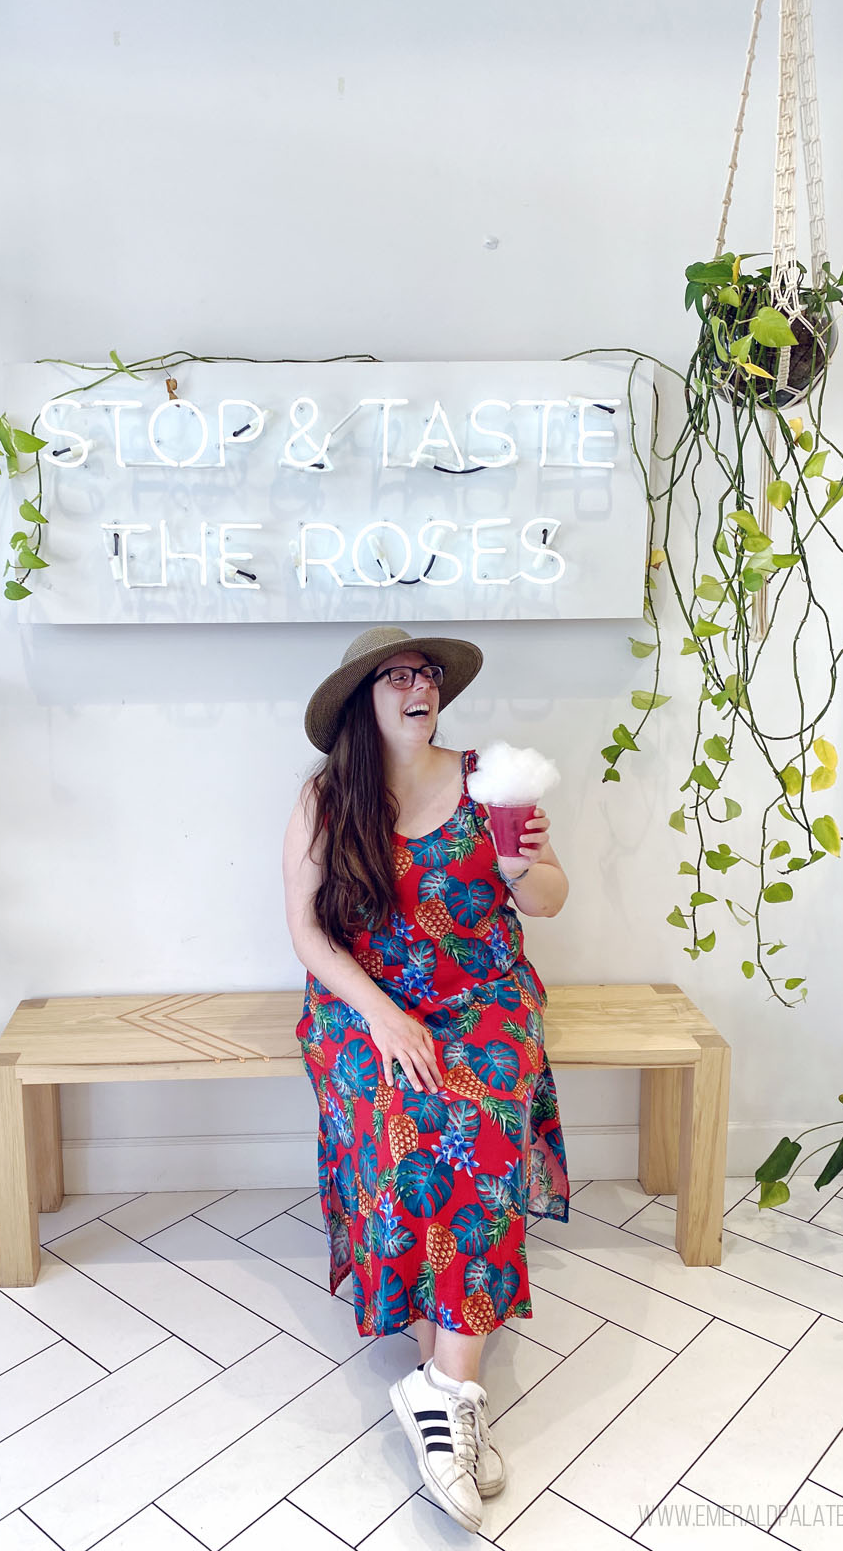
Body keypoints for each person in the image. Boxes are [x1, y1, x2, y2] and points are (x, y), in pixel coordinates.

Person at [281, 624, 571, 1533]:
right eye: (398, 676)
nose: (420, 688)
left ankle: (446, 1394)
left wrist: (525, 863)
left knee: (478, 1128)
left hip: (482, 996)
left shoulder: (493, 781)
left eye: (429, 675)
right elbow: (307, 933)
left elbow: (552, 897)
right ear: (363, 700)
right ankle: (455, 1394)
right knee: (408, 1119)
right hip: (367, 1003)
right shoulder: (329, 799)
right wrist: (381, 1014)